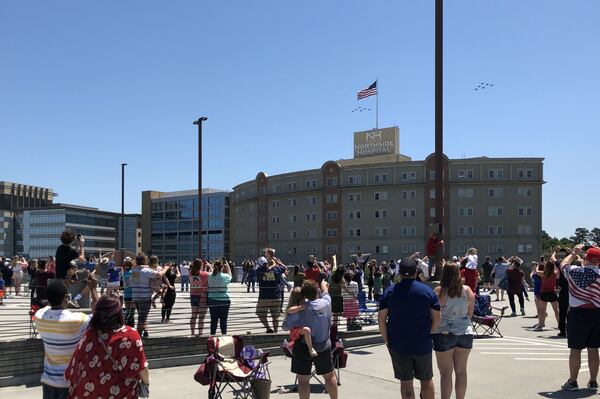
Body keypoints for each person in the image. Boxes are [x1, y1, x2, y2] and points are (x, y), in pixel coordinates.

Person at [378, 258, 442, 399]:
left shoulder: (390, 292)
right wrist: (428, 332)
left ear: (399, 273)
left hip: (398, 344)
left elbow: (381, 319)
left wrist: (386, 339)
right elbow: (437, 318)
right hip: (422, 343)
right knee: (426, 380)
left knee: (406, 383)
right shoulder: (427, 291)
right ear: (416, 272)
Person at [65, 295, 149, 398]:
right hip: (122, 393)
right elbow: (141, 367)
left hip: (91, 393)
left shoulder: (90, 334)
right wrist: (146, 384)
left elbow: (75, 365)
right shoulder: (131, 335)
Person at [35, 279, 99, 399]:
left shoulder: (39, 316)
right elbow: (99, 314)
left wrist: (60, 291)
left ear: (48, 299)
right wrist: (93, 288)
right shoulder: (77, 320)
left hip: (48, 381)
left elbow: (48, 304)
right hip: (70, 381)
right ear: (66, 298)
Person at [284, 279, 338, 399]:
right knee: (329, 376)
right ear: (317, 290)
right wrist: (323, 284)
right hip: (323, 345)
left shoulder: (300, 309)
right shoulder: (326, 302)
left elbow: (286, 326)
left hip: (303, 346)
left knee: (303, 380)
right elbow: (325, 291)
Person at [559, 244, 600, 392]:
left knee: (575, 350)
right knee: (594, 349)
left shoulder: (574, 271)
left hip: (578, 314)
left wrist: (574, 252)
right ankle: (593, 381)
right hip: (597, 313)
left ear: (585, 258)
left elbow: (563, 264)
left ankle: (573, 382)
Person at [431, 262, 475, 399]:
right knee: (461, 371)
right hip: (465, 332)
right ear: (458, 274)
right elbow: (470, 313)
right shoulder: (467, 290)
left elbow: (434, 314)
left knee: (445, 372)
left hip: (443, 333)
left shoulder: (439, 291)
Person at [130, 252, 170, 337]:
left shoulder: (133, 270)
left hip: (136, 297)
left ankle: (145, 331)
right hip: (144, 298)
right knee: (141, 319)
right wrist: (166, 268)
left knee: (142, 316)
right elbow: (159, 275)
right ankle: (138, 337)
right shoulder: (146, 271)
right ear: (145, 260)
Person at [256, 254, 287, 333]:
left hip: (264, 297)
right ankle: (276, 332)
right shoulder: (276, 269)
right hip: (276, 296)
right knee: (275, 316)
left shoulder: (259, 271)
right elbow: (284, 268)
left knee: (260, 313)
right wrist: (278, 262)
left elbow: (258, 269)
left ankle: (268, 327)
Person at [285, 287, 318, 357]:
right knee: (307, 330)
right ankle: (310, 348)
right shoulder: (295, 306)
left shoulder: (305, 303)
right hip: (295, 330)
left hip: (302, 326)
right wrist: (300, 307)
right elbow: (289, 310)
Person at [207, 260, 232, 335]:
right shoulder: (226, 276)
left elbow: (213, 274)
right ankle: (224, 336)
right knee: (223, 320)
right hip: (224, 300)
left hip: (212, 299)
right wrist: (228, 267)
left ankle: (212, 336)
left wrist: (210, 267)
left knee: (213, 320)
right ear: (222, 267)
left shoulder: (209, 276)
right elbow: (230, 275)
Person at [535, 260, 560, 331]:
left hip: (544, 293)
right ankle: (560, 325)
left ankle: (541, 324)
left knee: (542, 310)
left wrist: (537, 266)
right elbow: (557, 270)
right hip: (552, 293)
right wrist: (554, 266)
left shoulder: (543, 273)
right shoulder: (555, 273)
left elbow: (536, 271)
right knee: (556, 310)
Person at [189, 259, 211, 336]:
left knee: (193, 315)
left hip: (193, 295)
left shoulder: (190, 273)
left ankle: (192, 333)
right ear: (201, 265)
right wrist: (210, 266)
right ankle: (200, 334)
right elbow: (212, 273)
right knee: (201, 317)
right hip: (203, 296)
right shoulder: (205, 274)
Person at [122, 257, 135, 327]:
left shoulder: (124, 273)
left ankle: (126, 324)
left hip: (126, 293)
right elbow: (136, 282)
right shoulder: (133, 272)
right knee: (132, 311)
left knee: (127, 311)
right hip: (133, 293)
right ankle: (131, 326)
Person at [530, 262, 544, 329]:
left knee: (539, 309)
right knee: (543, 309)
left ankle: (540, 323)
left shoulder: (535, 275)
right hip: (543, 291)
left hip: (537, 292)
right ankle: (542, 323)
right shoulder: (545, 274)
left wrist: (536, 267)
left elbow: (532, 274)